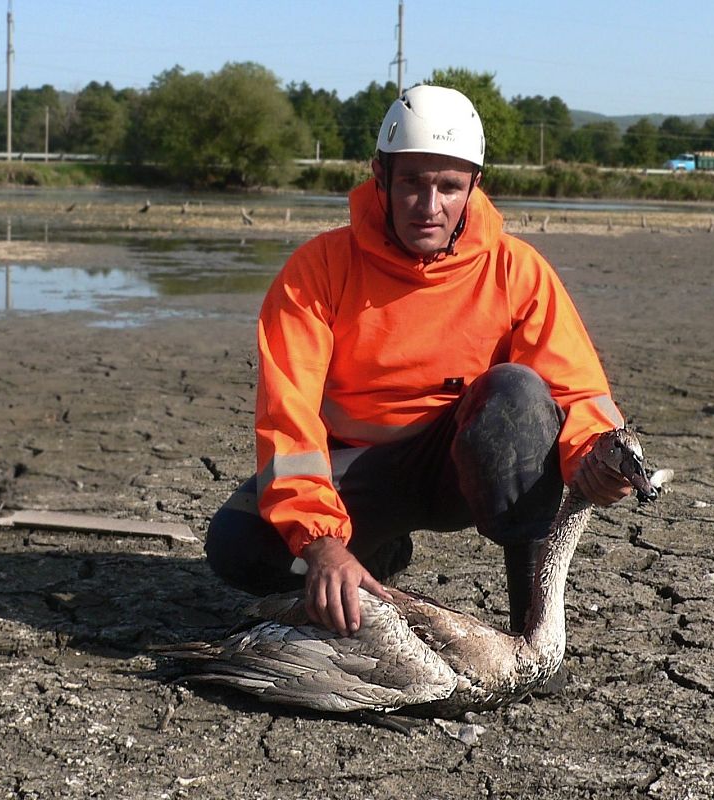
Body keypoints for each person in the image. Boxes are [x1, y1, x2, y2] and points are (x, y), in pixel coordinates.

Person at [204, 84, 634, 643]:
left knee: (521, 393)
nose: (430, 207)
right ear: (379, 176)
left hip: (462, 468)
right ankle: (370, 552)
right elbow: (289, 420)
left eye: (449, 187)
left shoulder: (517, 271)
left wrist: (596, 457)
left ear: (474, 186)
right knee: (240, 550)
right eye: (412, 183)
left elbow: (577, 391)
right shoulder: (318, 270)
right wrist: (321, 541)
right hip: (361, 470)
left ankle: (532, 632)